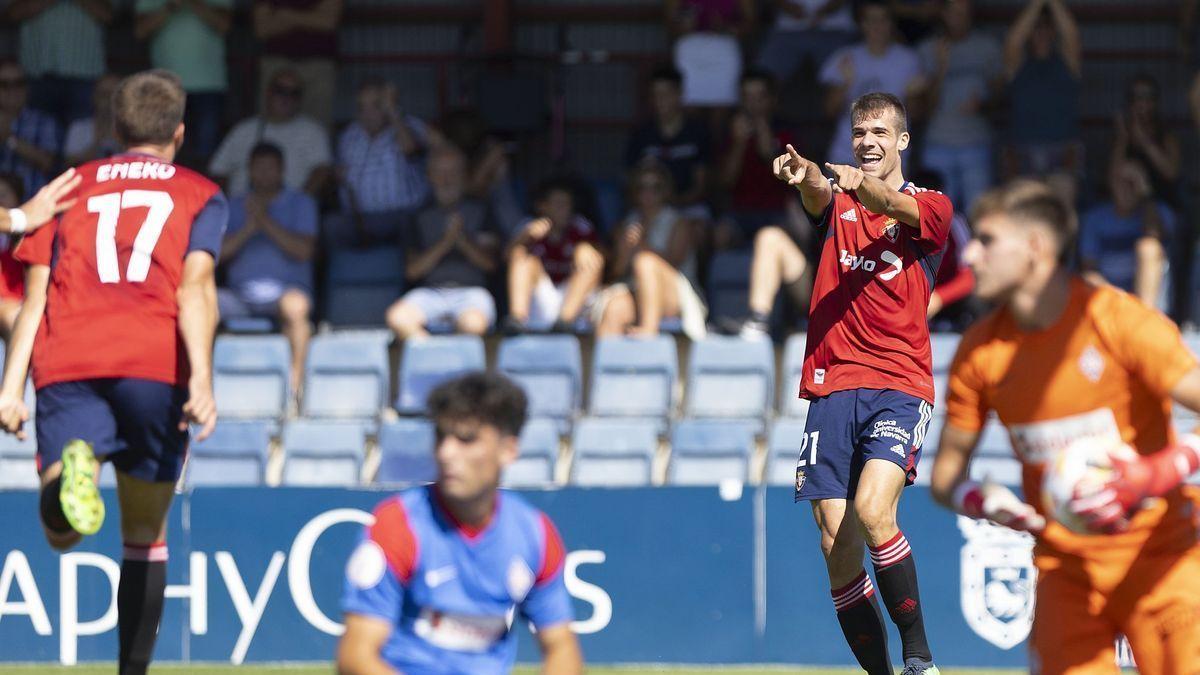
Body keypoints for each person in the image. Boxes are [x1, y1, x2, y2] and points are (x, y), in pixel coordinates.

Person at [0, 70, 223, 675]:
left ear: (113, 128)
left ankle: (73, 473)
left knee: (62, 534)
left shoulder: (67, 188)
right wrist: (202, 376)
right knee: (146, 533)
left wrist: (9, 387)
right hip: (154, 364)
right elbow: (196, 289)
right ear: (179, 132)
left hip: (69, 359)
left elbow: (34, 298)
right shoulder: (200, 192)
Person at [930, 179, 1200, 673]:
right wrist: (986, 502)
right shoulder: (980, 351)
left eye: (987, 239)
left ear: (1035, 247)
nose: (968, 254)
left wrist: (1164, 470)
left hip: (1161, 558)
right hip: (1065, 572)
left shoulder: (1116, 320)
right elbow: (945, 480)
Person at [774, 92, 951, 675]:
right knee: (834, 540)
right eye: (858, 132)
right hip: (831, 385)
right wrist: (805, 177)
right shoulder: (839, 199)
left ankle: (921, 659)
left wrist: (853, 186)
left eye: (879, 132)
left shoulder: (931, 207)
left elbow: (882, 199)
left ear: (902, 140)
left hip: (899, 383)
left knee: (876, 510)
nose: (867, 141)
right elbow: (818, 197)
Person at [337, 372, 583, 674]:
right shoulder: (397, 526)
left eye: (466, 439)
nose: (446, 453)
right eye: (442, 437)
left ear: (508, 450)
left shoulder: (535, 534)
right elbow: (355, 656)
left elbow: (561, 645)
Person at [218, 142, 316, 389]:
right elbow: (217, 255)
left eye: (270, 168)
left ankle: (294, 388)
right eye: (258, 168)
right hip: (238, 296)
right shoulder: (232, 205)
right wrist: (250, 226)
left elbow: (303, 251)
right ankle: (200, 383)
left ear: (282, 170)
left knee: (296, 307)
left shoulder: (301, 203)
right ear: (249, 170)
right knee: (199, 302)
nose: (263, 174)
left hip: (285, 293)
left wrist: (264, 220)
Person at [385, 147, 499, 339]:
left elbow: (489, 264)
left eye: (453, 172)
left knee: (472, 326)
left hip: (472, 292)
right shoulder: (418, 215)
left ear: (464, 176)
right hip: (430, 293)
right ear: (430, 176)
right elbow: (413, 271)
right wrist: (446, 241)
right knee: (398, 319)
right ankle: (432, 357)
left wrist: (461, 240)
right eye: (440, 173)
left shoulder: (482, 210)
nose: (447, 179)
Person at [596, 162, 706, 340]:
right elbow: (615, 273)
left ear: (666, 190)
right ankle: (607, 366)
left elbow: (675, 262)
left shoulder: (680, 223)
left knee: (645, 261)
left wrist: (643, 245)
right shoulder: (625, 225)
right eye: (642, 187)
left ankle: (648, 331)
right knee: (614, 308)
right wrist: (625, 251)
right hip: (635, 290)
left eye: (656, 187)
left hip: (675, 293)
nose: (648, 193)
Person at [917, 0, 1002, 212]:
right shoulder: (928, 49)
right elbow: (924, 108)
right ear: (943, 14)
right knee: (936, 217)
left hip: (976, 143)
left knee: (979, 215)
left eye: (964, 13)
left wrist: (983, 104)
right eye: (954, 13)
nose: (960, 19)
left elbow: (1001, 99)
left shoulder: (988, 47)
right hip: (938, 143)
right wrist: (941, 68)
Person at [820, 2, 925, 166]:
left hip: (891, 158)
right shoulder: (845, 58)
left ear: (891, 24)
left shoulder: (909, 60)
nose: (877, 26)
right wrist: (845, 85)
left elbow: (917, 114)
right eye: (871, 20)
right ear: (862, 24)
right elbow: (829, 111)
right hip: (847, 154)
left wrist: (912, 95)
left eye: (883, 20)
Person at [333, 78, 430, 246]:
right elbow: (338, 174)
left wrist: (393, 113)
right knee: (331, 226)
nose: (367, 113)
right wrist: (337, 176)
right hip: (358, 218)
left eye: (376, 105)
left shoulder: (409, 125)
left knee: (410, 226)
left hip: (402, 217)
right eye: (362, 107)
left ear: (388, 104)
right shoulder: (349, 135)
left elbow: (411, 150)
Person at [134, 0, 232, 166]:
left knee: (207, 157)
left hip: (209, 84)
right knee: (161, 151)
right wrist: (170, 5)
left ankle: (203, 192)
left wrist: (193, 3)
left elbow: (226, 26)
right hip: (164, 87)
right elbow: (140, 31)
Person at [209, 66, 332, 198]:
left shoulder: (313, 131)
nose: (286, 98)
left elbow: (322, 171)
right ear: (267, 92)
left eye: (294, 93)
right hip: (242, 208)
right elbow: (218, 171)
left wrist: (299, 204)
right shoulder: (243, 129)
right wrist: (228, 206)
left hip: (290, 212)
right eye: (280, 91)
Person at [504, 178, 604, 334]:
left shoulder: (580, 227)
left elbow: (607, 258)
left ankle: (565, 322)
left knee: (592, 259)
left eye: (567, 204)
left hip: (572, 302)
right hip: (541, 300)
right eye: (558, 204)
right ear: (542, 206)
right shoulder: (529, 226)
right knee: (521, 253)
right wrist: (524, 239)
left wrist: (586, 247)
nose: (564, 209)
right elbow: (505, 259)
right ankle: (517, 319)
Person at [717, 68, 798, 249]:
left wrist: (765, 136)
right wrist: (738, 144)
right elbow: (726, 181)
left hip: (777, 211)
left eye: (759, 97)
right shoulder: (730, 131)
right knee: (719, 235)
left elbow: (789, 179)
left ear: (772, 99)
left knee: (785, 236)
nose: (753, 104)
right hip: (739, 211)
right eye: (747, 97)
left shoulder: (785, 131)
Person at [1001, 0, 1081, 182]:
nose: (1042, 32)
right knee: (1023, 208)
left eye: (1047, 27)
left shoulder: (1067, 63)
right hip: (1023, 150)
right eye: (1036, 27)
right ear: (1029, 31)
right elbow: (1013, 40)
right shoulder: (1017, 65)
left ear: (1054, 31)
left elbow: (1072, 35)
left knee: (1062, 206)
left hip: (1062, 149)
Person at [1079, 160, 1172, 311]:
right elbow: (1089, 269)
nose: (1126, 189)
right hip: (1109, 298)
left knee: (1148, 247)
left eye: (1132, 183)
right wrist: (1121, 302)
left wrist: (1145, 194)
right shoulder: (1095, 218)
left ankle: (1142, 324)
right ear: (1111, 184)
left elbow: (1155, 237)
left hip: (1149, 303)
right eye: (1120, 181)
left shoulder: (1156, 212)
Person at [6, 0, 111, 130]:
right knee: (37, 138)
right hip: (37, 76)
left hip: (86, 77)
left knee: (84, 139)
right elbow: (11, 14)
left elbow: (109, 15)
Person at [625, 66, 712, 223]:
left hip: (689, 208)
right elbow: (632, 181)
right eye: (656, 94)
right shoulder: (642, 135)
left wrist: (676, 203)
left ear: (679, 94)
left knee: (697, 233)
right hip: (648, 208)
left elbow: (702, 185)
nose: (661, 100)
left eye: (667, 94)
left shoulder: (698, 133)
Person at [253, 0, 341, 126]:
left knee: (318, 127)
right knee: (270, 128)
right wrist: (311, 17)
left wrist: (286, 16)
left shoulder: (285, 13)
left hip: (318, 66)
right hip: (275, 64)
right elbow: (262, 28)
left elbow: (328, 21)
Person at [756, 0, 857, 87]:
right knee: (762, 76)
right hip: (788, 30)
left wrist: (826, 10)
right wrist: (787, 6)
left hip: (834, 29)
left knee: (843, 75)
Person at [0, 60, 58, 197]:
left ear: (27, 87)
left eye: (18, 83)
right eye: (4, 84)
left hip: (32, 203)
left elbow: (47, 163)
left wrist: (9, 139)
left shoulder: (44, 121)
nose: (12, 90)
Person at [62, 73, 120, 166]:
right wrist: (98, 143)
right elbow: (70, 166)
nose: (108, 100)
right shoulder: (78, 128)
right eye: (104, 95)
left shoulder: (131, 130)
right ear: (95, 97)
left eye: (113, 95)